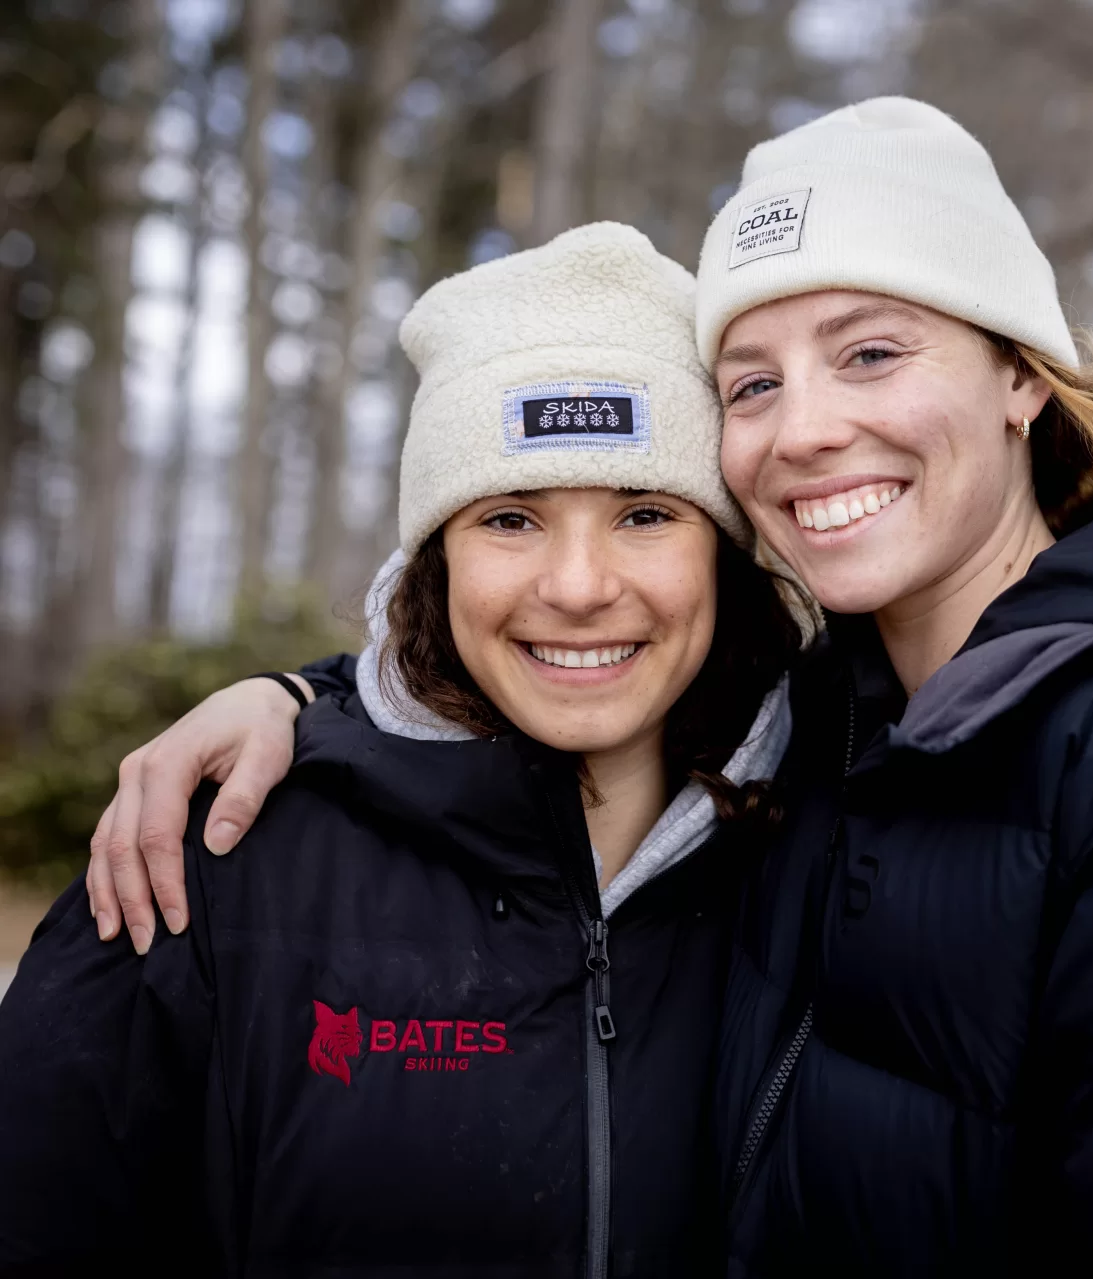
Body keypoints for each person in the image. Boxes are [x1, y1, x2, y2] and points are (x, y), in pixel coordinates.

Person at [84, 99, 1093, 1274]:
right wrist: (306, 697)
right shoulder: (828, 750)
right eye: (750, 381)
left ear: (1020, 379)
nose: (803, 429)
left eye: (870, 352)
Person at [0, 224, 803, 1275]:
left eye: (644, 513)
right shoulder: (209, 860)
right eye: (511, 519)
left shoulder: (828, 848)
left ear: (724, 555)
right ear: (434, 564)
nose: (575, 585)